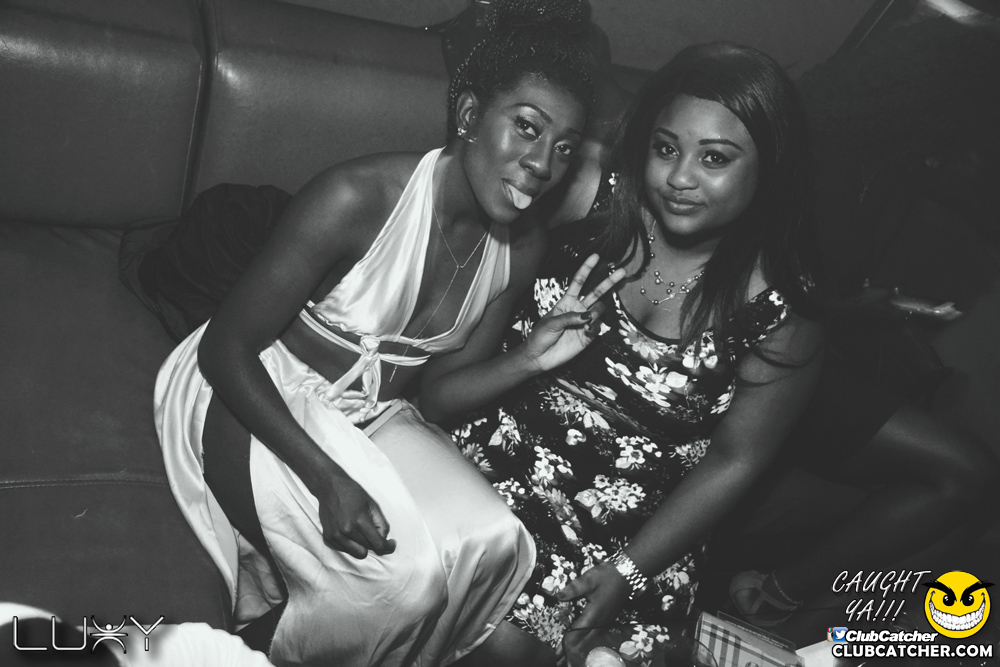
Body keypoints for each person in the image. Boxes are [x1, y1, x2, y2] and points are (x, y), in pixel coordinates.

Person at [152, 2, 624, 665]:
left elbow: (438, 396)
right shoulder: (356, 198)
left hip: (371, 415)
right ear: (469, 116)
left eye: (564, 147)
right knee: (404, 587)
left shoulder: (521, 250)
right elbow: (224, 349)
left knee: (492, 539)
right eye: (526, 127)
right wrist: (326, 479)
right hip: (253, 392)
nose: (542, 163)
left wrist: (530, 360)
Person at [445, 42, 827, 667]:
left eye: (715, 158)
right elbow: (460, 198)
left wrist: (628, 570)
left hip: (629, 533)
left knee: (547, 648)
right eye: (666, 148)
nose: (680, 178)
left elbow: (734, 460)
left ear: (770, 168)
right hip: (493, 460)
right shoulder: (595, 197)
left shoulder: (780, 309)